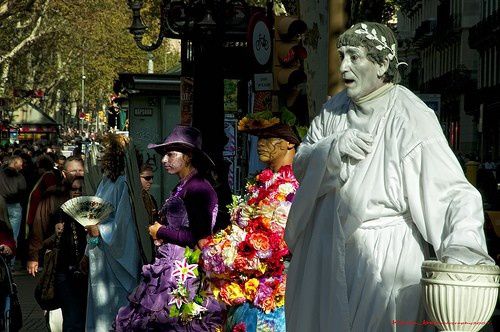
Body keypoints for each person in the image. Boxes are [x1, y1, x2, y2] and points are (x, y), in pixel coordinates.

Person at [284, 22, 495, 332]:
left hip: (384, 261)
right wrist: (331, 150)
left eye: (354, 57)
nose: (343, 66)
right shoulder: (334, 110)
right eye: (342, 55)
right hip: (327, 251)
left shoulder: (410, 115)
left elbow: (450, 193)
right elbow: (302, 162)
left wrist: (463, 249)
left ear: (382, 64)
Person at [115, 125, 224, 331]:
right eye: (164, 155)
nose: (164, 160)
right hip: (170, 265)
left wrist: (161, 231)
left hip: (183, 271)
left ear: (189, 156)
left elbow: (200, 238)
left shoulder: (198, 187)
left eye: (171, 154)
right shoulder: (185, 185)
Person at [200, 117, 300, 332]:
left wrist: (227, 257)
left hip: (276, 296)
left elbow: (277, 243)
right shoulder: (259, 183)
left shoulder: (295, 187)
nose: (260, 144)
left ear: (290, 143)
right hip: (245, 291)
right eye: (259, 139)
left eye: (268, 138)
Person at [85, 133, 146, 331]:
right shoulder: (106, 182)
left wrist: (99, 230)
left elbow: (124, 225)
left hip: (113, 259)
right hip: (101, 255)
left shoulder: (122, 184)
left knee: (113, 308)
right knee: (100, 307)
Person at [51, 176, 88, 332]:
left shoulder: (90, 212)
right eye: (74, 189)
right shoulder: (60, 212)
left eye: (80, 189)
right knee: (72, 319)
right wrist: (56, 233)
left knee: (83, 316)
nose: (77, 192)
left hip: (87, 271)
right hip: (65, 271)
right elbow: (44, 241)